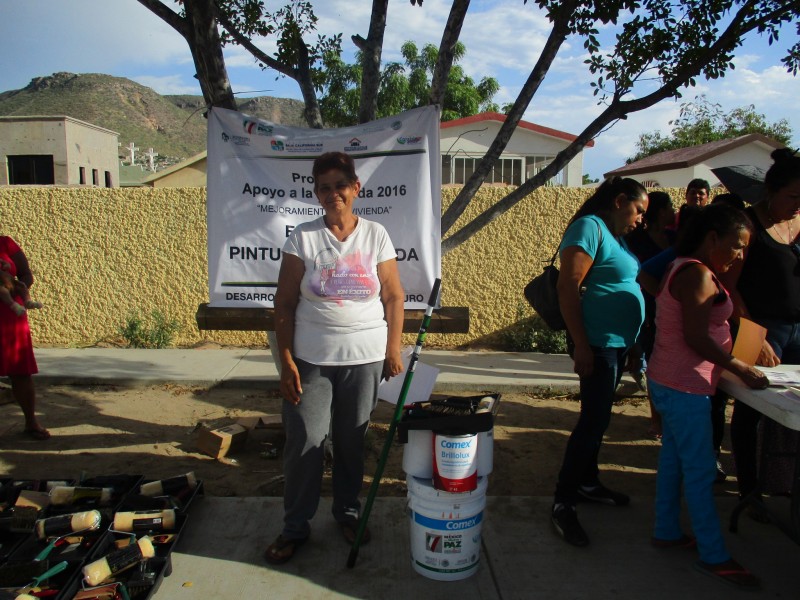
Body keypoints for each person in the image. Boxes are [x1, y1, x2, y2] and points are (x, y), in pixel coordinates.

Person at [265, 152, 404, 564]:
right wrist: (286, 359)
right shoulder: (302, 238)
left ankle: (347, 513)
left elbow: (394, 295)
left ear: (355, 188)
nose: (332, 194)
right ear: (316, 193)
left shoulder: (376, 234)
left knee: (351, 441)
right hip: (312, 358)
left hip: (365, 359)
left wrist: (393, 348)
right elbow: (285, 303)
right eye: (323, 188)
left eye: (340, 186)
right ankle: (295, 528)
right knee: (305, 442)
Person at [646, 203, 765, 589]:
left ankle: (666, 529)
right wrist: (740, 367)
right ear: (712, 238)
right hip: (685, 388)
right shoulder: (696, 274)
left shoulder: (683, 267)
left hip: (669, 382)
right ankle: (714, 556)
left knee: (674, 464)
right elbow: (696, 337)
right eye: (736, 246)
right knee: (698, 473)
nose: (740, 255)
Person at [551, 177, 648, 547]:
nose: (640, 219)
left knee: (600, 417)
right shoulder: (588, 227)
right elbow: (567, 286)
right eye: (638, 210)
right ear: (620, 200)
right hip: (598, 343)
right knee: (592, 421)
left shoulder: (612, 233)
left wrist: (634, 342)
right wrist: (582, 346)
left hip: (618, 343)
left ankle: (588, 483)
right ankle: (563, 501)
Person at [723, 148, 800, 512]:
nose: (798, 205)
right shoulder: (749, 225)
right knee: (749, 411)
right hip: (758, 329)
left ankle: (785, 485)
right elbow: (730, 285)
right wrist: (755, 333)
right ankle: (748, 492)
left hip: (798, 328)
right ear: (771, 191)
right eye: (793, 196)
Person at [624, 191, 675, 398]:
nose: (674, 212)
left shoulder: (674, 238)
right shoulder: (636, 239)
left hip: (669, 307)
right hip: (647, 305)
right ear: (662, 212)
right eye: (671, 207)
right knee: (651, 354)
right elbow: (635, 272)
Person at [0, 235, 49, 440]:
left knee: (20, 371)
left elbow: (27, 275)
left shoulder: (6, 244)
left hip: (12, 317)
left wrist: (18, 286)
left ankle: (31, 422)